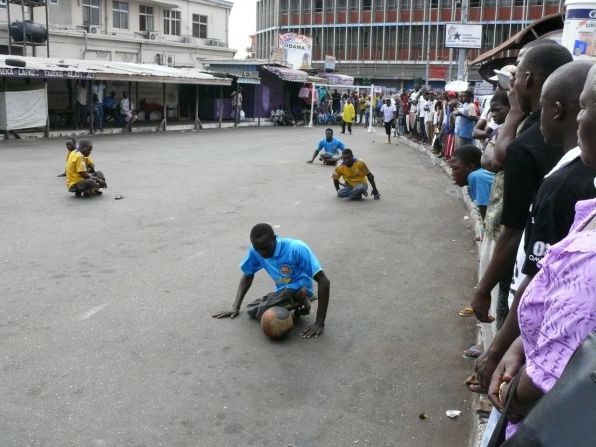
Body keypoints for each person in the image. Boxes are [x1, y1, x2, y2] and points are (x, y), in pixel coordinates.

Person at [473, 61, 595, 397]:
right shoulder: (576, 174)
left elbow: (538, 275)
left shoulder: (563, 184)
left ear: (555, 110)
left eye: (586, 108)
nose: (581, 117)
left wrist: (506, 366)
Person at [212, 223, 330, 338]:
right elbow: (247, 275)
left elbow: (324, 282)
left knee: (264, 312)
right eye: (258, 249)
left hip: (300, 286)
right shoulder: (255, 251)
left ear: (274, 239)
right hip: (282, 290)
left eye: (265, 248)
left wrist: (319, 323)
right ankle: (297, 302)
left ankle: (302, 296)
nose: (262, 253)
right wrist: (235, 307)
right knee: (251, 310)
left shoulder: (296, 248)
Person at [450, 145, 495, 221]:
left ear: (470, 167)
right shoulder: (479, 175)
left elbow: (486, 218)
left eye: (455, 169)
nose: (452, 173)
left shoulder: (476, 176)